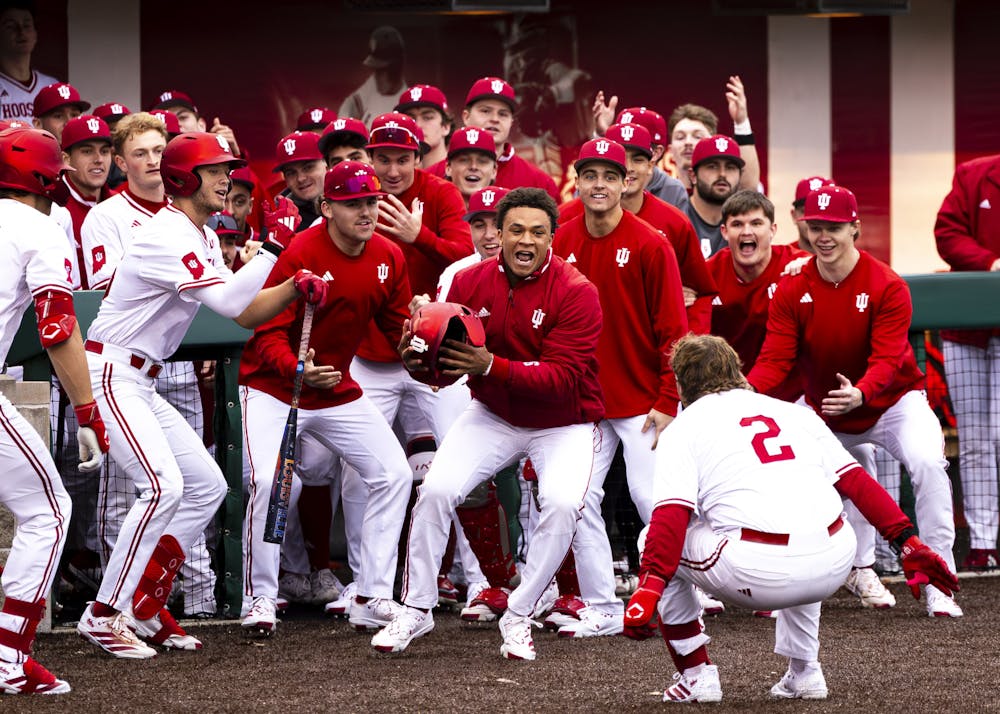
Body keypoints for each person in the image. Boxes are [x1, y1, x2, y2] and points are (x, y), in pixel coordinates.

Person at [75, 131, 324, 658]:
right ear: (185, 178)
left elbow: (248, 312)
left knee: (207, 486)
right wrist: (277, 249)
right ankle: (103, 613)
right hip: (110, 370)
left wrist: (292, 284)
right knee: (163, 487)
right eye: (214, 171)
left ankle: (143, 604)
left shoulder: (205, 236)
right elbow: (235, 304)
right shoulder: (165, 233)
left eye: (226, 169)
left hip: (141, 378)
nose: (225, 179)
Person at [622, 334, 959, 703]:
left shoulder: (683, 428)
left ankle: (696, 675)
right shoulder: (794, 412)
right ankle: (805, 671)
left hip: (755, 570)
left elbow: (671, 515)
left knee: (649, 540)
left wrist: (650, 585)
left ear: (680, 383)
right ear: (738, 371)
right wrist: (907, 541)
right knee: (808, 521)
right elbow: (858, 482)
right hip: (833, 561)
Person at [371, 187, 604, 660]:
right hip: (494, 413)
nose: (526, 240)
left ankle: (520, 612)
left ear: (553, 238)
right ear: (499, 234)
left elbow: (561, 380)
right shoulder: (467, 282)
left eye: (538, 232)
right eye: (516, 229)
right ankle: (416, 608)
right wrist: (417, 356)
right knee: (436, 489)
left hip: (565, 421)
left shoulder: (578, 291)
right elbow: (447, 369)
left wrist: (488, 366)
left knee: (561, 504)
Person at [748, 185, 962, 618]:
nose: (824, 236)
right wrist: (741, 394)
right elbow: (775, 358)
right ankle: (828, 575)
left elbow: (887, 358)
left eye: (834, 227)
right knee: (800, 477)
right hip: (824, 408)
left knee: (928, 464)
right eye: (816, 227)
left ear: (855, 229)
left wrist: (861, 392)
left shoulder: (887, 284)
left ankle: (941, 580)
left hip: (891, 402)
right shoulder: (792, 286)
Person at [239, 161, 413, 635]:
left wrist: (424, 344)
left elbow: (399, 331)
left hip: (335, 387)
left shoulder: (388, 256)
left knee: (393, 473)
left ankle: (371, 594)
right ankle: (259, 597)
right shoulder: (301, 251)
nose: (366, 211)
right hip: (274, 387)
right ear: (327, 207)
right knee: (269, 482)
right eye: (353, 202)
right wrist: (297, 369)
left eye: (371, 201)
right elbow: (266, 331)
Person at [549, 138, 687, 638]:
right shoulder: (560, 241)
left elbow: (674, 330)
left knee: (656, 501)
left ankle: (682, 593)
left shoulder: (652, 242)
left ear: (626, 181)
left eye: (611, 175)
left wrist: (669, 398)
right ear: (578, 182)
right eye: (591, 175)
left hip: (644, 401)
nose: (601, 184)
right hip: (583, 402)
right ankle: (603, 607)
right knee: (578, 499)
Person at [0, 126, 109, 695]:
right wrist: (88, 411)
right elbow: (56, 327)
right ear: (49, 176)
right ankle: (8, 659)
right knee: (48, 510)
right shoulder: (41, 226)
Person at [559, 122, 717, 333]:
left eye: (638, 159)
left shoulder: (674, 223)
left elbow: (701, 294)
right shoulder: (563, 220)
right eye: (621, 156)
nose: (630, 166)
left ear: (651, 165)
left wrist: (689, 355)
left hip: (642, 354)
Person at [934, 153, 1000, 571]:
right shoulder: (975, 173)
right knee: (975, 440)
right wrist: (991, 265)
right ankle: (983, 541)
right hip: (968, 331)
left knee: (998, 432)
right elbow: (947, 233)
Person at [707, 189, 808, 403]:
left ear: (772, 230)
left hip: (795, 398)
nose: (746, 231)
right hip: (730, 395)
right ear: (724, 232)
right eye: (737, 224)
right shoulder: (707, 275)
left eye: (756, 223)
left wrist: (817, 271)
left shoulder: (800, 266)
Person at [428, 77, 559, 201]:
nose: (495, 119)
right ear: (466, 117)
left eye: (503, 114)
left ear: (511, 122)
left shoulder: (540, 183)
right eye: (485, 111)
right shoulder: (430, 178)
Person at [666, 78, 761, 192]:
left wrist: (741, 123)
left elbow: (748, 190)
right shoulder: (662, 194)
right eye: (680, 137)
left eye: (697, 136)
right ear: (670, 150)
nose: (688, 142)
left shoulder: (724, 191)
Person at [591, 101, 688, 210]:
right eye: (621, 154)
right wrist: (601, 136)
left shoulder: (673, 190)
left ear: (656, 153)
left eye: (637, 158)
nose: (627, 167)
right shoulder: (595, 183)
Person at [54, 114, 113, 288]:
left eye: (104, 151)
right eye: (87, 151)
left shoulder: (121, 204)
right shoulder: (51, 206)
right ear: (66, 159)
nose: (98, 159)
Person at [686, 134, 743, 258]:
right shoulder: (677, 218)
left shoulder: (745, 225)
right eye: (712, 166)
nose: (722, 174)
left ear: (740, 176)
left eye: (730, 167)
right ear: (693, 176)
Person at [0, 1, 57, 123]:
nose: (21, 32)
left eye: (26, 25)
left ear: (35, 34)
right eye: (11, 26)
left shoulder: (51, 86)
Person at [339, 26, 408, 126]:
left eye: (384, 70)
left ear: (398, 66)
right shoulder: (358, 101)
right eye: (377, 70)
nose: (379, 77)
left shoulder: (411, 104)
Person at [274, 130, 325, 228]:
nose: (301, 178)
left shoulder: (352, 202)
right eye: (291, 173)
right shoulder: (279, 223)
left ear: (326, 164)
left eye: (308, 168)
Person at [395, 84, 451, 169]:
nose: (418, 125)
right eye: (410, 119)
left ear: (446, 127)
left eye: (427, 118)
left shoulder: (457, 172)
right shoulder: (394, 174)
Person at [444, 125, 497, 204]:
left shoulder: (505, 213)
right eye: (464, 160)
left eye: (482, 161)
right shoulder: (431, 210)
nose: (473, 167)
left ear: (494, 171)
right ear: (448, 168)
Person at [790, 176, 835, 252]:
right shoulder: (780, 261)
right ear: (794, 216)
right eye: (806, 211)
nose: (814, 220)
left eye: (823, 211)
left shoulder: (854, 260)